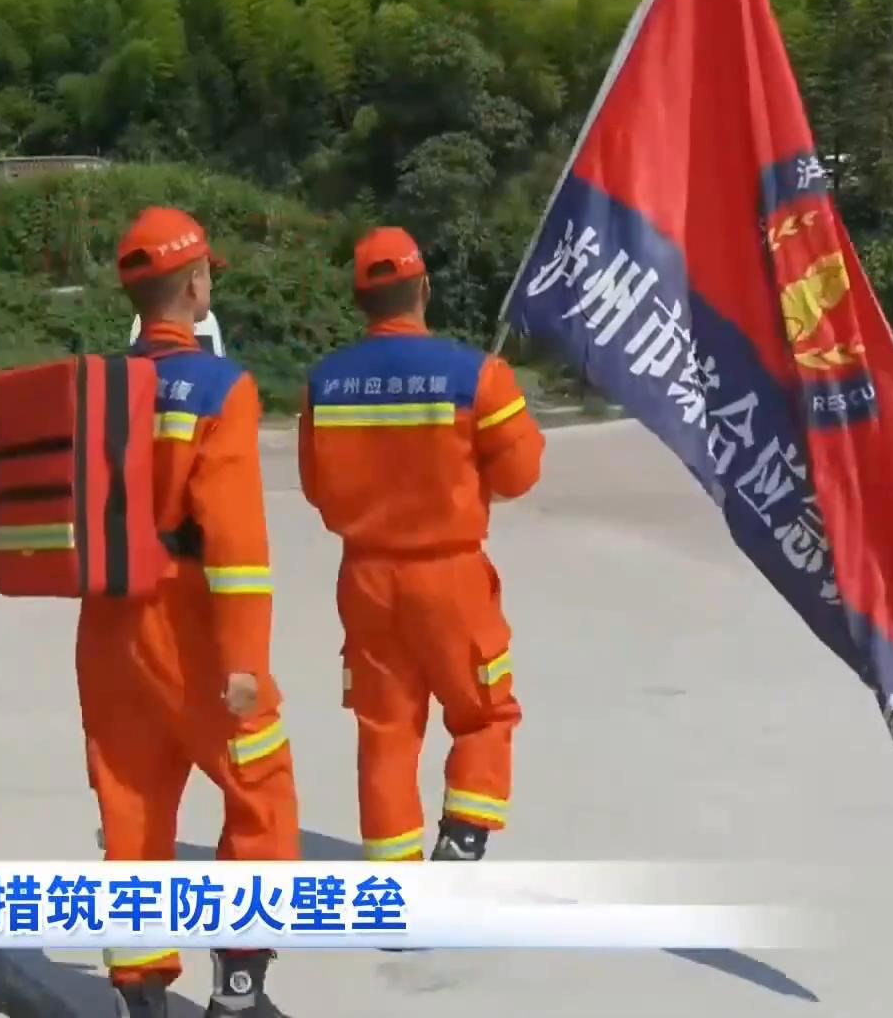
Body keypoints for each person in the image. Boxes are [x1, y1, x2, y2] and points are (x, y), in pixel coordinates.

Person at [79, 207, 299, 1018]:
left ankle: (140, 996)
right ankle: (238, 990)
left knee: (131, 803)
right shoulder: (220, 388)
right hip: (190, 623)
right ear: (197, 283)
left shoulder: (95, 385)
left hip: (108, 620)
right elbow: (235, 540)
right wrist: (244, 660)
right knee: (260, 790)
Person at [297, 226, 544, 865]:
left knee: (385, 730)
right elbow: (520, 476)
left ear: (361, 301)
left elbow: (317, 489)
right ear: (425, 288)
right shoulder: (479, 375)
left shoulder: (324, 384)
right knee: (484, 713)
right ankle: (463, 836)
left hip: (366, 580)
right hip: (449, 578)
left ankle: (394, 881)